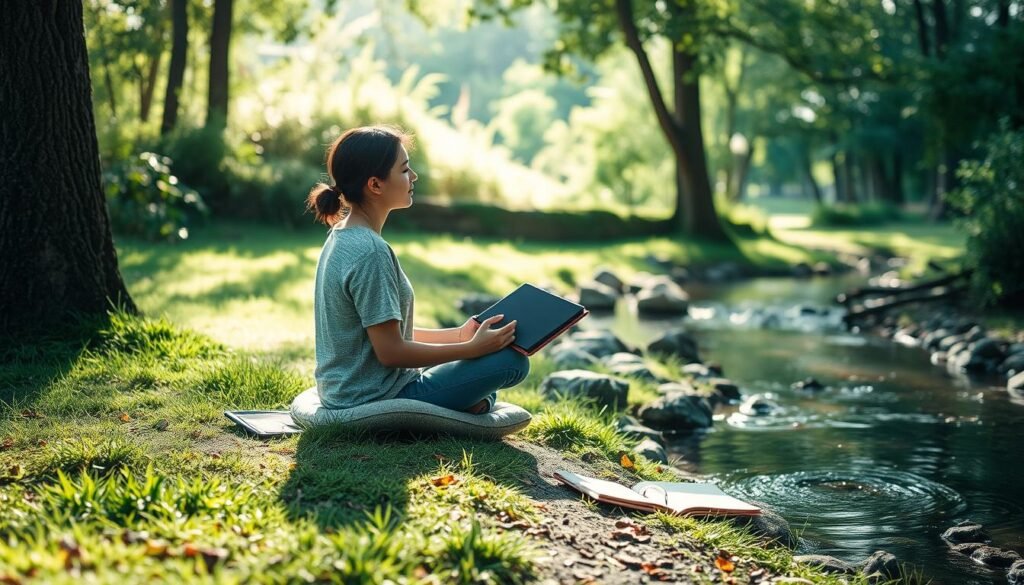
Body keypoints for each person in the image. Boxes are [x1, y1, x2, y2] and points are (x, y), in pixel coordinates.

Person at [306, 125, 530, 415]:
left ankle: (471, 401)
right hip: (373, 397)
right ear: (375, 185)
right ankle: (471, 403)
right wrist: (472, 350)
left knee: (485, 374)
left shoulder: (342, 235)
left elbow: (384, 333)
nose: (413, 177)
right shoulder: (370, 252)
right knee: (512, 363)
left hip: (350, 390)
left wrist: (459, 335)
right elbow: (392, 352)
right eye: (404, 170)